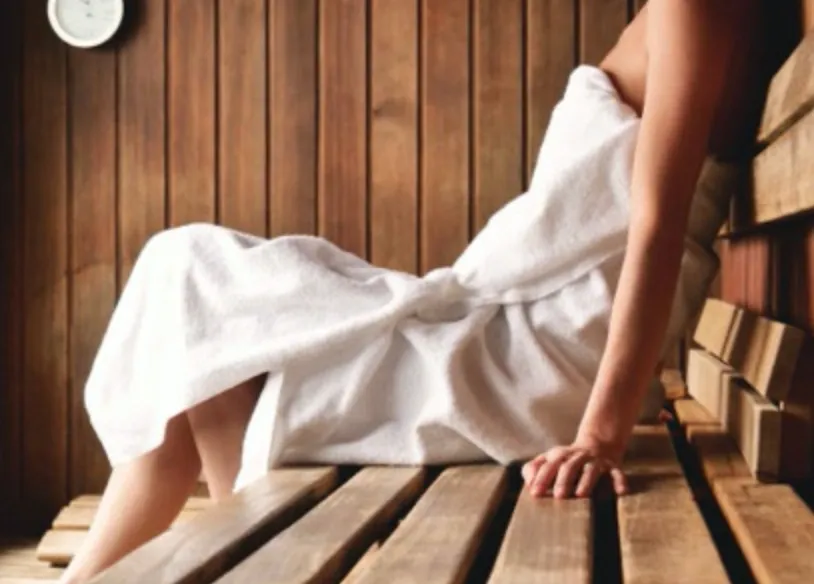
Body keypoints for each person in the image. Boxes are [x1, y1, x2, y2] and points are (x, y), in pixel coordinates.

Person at [60, 0, 780, 581]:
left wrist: (599, 436)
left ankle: (226, 565)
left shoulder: (694, 8)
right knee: (204, 304)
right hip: (514, 325)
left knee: (197, 282)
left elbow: (656, 226)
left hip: (532, 355)